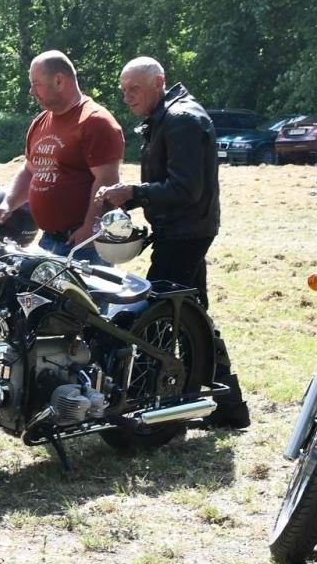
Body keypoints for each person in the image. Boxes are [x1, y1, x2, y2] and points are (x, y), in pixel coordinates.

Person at [94, 56, 250, 428]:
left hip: (185, 234)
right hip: (182, 230)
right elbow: (175, 185)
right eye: (123, 90)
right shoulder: (169, 116)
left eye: (134, 89)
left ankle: (154, 406)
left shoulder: (182, 119)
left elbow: (185, 188)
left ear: (158, 82)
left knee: (160, 316)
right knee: (195, 315)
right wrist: (130, 197)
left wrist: (135, 191)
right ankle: (229, 407)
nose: (127, 97)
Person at [0, 50, 123, 263]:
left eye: (36, 83)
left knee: (87, 297)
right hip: (49, 241)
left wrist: (89, 228)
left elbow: (107, 180)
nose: (31, 91)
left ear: (59, 80)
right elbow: (30, 170)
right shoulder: (41, 122)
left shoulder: (95, 122)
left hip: (84, 246)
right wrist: (7, 204)